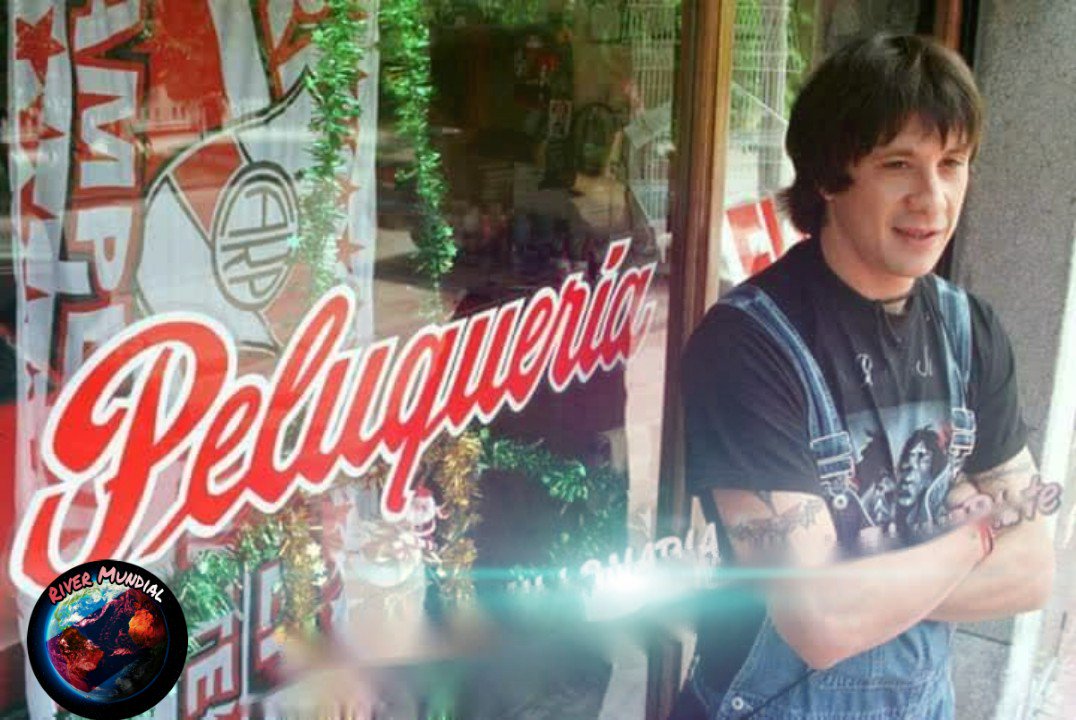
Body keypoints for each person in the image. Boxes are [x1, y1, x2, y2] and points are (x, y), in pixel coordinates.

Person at [674, 33, 1055, 719]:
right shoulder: (747, 346)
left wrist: (867, 586)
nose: (932, 199)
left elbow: (1034, 572)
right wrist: (973, 535)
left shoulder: (971, 333)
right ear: (828, 176)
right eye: (898, 165)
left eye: (952, 164)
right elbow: (821, 620)